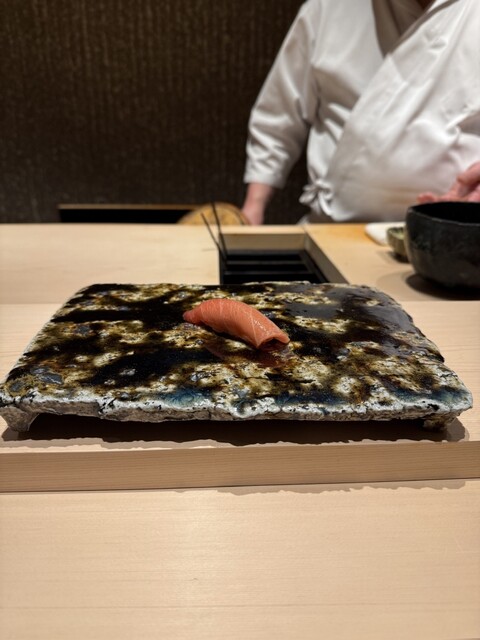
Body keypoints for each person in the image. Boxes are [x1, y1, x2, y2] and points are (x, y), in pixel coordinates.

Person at [241, 0, 480, 225]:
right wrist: (254, 206)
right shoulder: (327, 8)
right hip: (333, 231)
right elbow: (279, 115)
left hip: (459, 230)